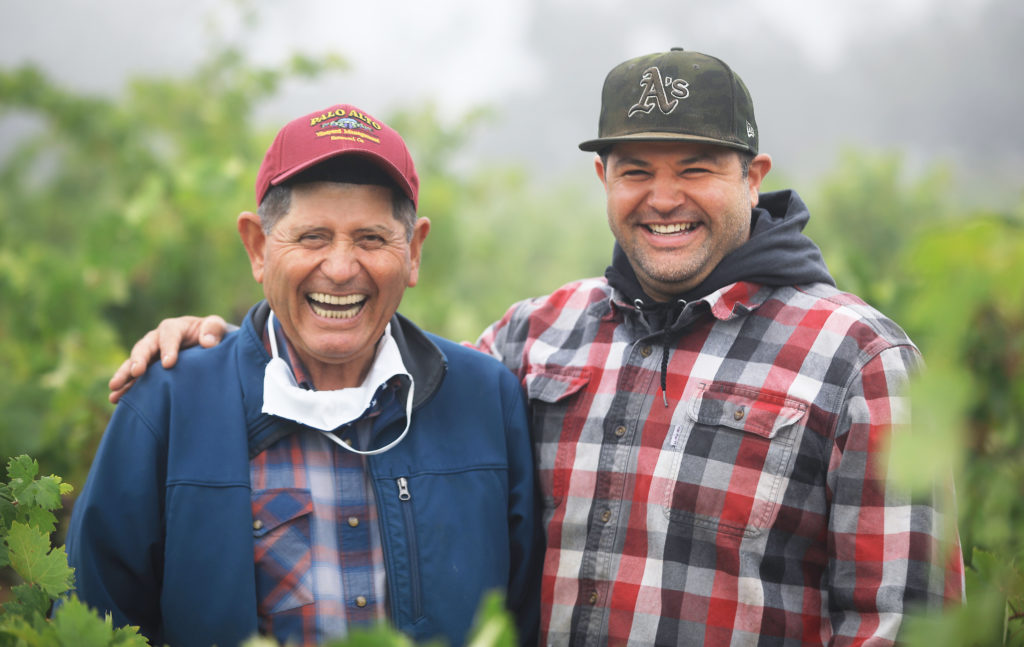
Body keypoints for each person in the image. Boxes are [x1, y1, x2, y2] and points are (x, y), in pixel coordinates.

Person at [109, 50, 964, 645]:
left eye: (697, 166)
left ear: (753, 172)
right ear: (604, 180)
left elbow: (905, 620)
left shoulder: (858, 359)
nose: (663, 197)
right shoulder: (533, 338)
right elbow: (358, 360)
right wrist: (220, 348)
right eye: (635, 168)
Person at [68, 103, 542, 647]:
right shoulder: (168, 402)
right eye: (312, 237)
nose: (340, 269)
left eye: (371, 239)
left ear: (412, 253)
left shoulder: (486, 401)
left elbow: (522, 619)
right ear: (258, 248)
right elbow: (96, 620)